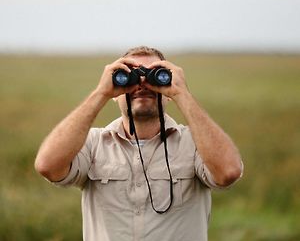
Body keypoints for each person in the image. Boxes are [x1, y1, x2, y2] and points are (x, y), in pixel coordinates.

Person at [35, 46, 243, 241]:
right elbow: (48, 166)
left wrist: (182, 94)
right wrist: (101, 94)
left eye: (155, 76)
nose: (142, 84)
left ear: (168, 92)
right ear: (116, 94)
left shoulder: (195, 143)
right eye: (130, 75)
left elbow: (228, 172)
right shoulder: (93, 143)